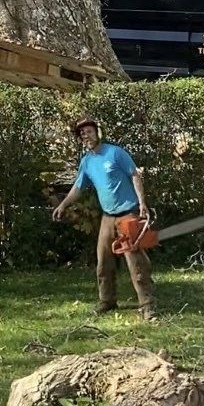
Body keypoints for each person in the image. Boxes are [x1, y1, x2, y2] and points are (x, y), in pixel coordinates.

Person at [52, 116, 155, 319]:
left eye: (89, 132)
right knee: (103, 262)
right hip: (108, 217)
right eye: (82, 134)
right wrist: (63, 205)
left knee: (136, 263)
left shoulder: (115, 153)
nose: (86, 136)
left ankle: (148, 305)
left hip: (128, 213)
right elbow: (79, 186)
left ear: (98, 133)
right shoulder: (87, 162)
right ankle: (107, 301)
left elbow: (134, 175)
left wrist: (142, 203)